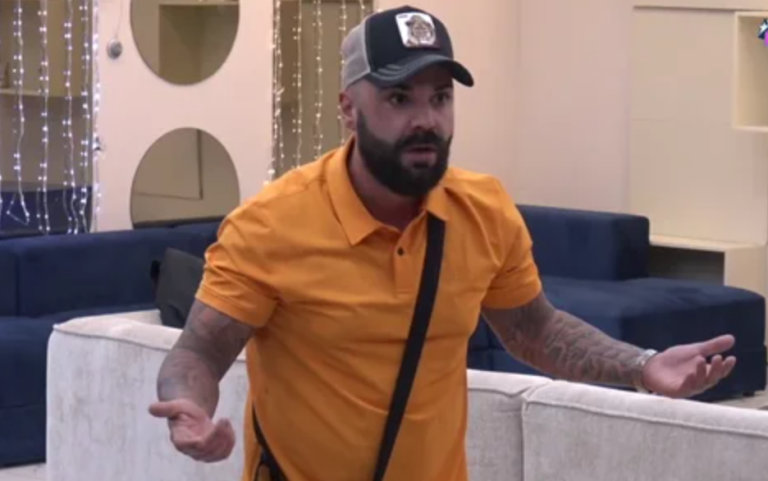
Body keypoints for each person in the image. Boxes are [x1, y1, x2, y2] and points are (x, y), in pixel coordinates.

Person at [148, 5, 738, 481]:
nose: (426, 119)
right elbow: (200, 351)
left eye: (441, 97)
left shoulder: (483, 211)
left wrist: (641, 366)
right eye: (399, 98)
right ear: (349, 110)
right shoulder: (271, 224)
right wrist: (190, 408)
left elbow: (535, 330)